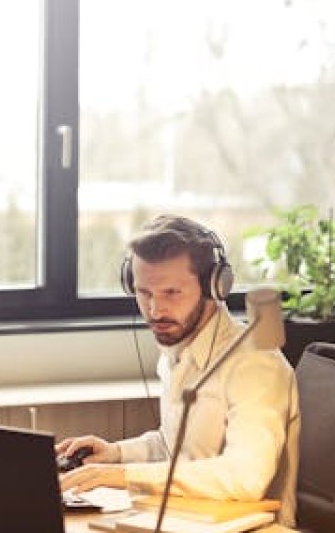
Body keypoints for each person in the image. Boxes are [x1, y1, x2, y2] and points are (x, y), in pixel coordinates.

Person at [58, 214, 299, 527]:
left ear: (215, 286)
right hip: (187, 518)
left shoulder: (254, 362)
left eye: (172, 293)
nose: (156, 311)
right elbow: (176, 446)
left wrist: (123, 476)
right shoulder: (178, 350)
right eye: (144, 293)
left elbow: (246, 477)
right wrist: (116, 454)